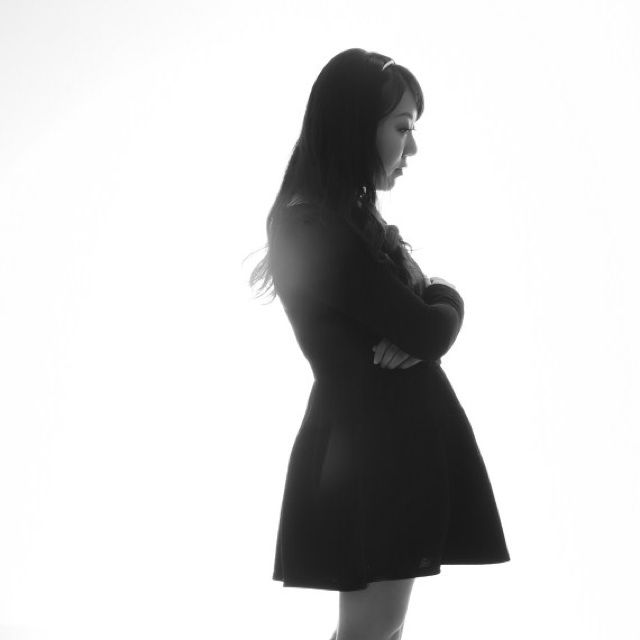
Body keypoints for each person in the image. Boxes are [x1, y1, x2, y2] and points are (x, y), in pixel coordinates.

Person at [248, 48, 510, 640]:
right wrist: (445, 299)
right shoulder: (312, 225)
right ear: (354, 125)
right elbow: (426, 329)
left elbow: (424, 326)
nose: (411, 149)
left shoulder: (344, 220)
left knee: (380, 630)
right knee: (372, 631)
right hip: (372, 453)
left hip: (387, 447)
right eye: (401, 128)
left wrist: (436, 307)